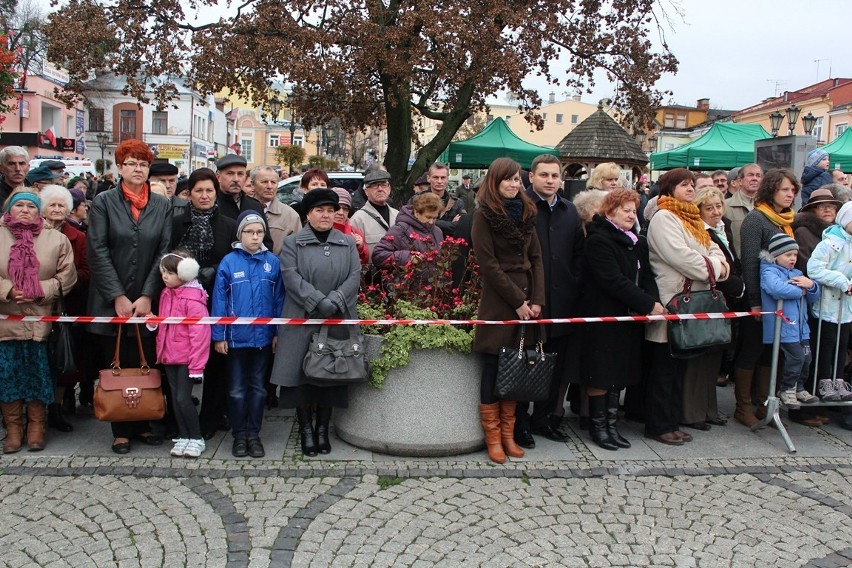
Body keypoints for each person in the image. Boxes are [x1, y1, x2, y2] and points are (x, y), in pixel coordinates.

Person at [87, 139, 172, 454]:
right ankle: (121, 427)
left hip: (148, 298)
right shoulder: (104, 202)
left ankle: (145, 421)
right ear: (119, 167)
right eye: (132, 163)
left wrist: (149, 293)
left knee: (147, 359)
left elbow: (164, 251)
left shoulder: (162, 205)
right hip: (113, 299)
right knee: (118, 361)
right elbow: (97, 251)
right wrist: (117, 296)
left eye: (143, 163)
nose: (138, 169)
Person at [271, 189, 361, 457]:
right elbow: (290, 276)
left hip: (337, 315)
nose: (326, 215)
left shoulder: (346, 242)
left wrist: (334, 301)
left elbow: (354, 276)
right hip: (302, 316)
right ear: (308, 214)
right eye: (319, 210)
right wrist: (317, 301)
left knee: (331, 374)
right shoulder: (293, 242)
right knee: (301, 377)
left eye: (330, 211)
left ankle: (322, 428)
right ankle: (306, 430)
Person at [644, 168, 729, 446]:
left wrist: (715, 264)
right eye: (684, 185)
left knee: (680, 368)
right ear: (669, 189)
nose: (691, 189)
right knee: (664, 369)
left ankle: (671, 420)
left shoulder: (692, 218)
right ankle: (658, 424)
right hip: (673, 300)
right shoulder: (664, 217)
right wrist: (717, 268)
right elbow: (681, 258)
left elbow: (714, 247)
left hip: (694, 300)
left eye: (692, 184)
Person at [471, 157, 544, 464]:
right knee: (493, 368)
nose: (515, 184)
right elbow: (488, 265)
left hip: (528, 298)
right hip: (500, 301)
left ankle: (508, 435)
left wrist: (537, 299)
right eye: (508, 180)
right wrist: (517, 302)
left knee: (516, 367)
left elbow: (537, 258)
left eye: (518, 179)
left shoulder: (527, 213)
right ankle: (493, 439)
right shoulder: (484, 216)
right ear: (495, 182)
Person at [579, 189, 663, 450]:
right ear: (609, 211)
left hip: (627, 317)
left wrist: (652, 303)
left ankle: (612, 426)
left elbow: (646, 275)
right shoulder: (599, 240)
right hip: (602, 316)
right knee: (601, 373)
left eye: (633, 209)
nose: (631, 214)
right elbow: (612, 280)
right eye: (624, 209)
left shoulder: (635, 241)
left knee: (619, 372)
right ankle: (598, 427)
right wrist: (647, 303)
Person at [514, 154, 584, 448]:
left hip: (562, 302)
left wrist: (573, 284)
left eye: (555, 175)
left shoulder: (570, 210)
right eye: (544, 175)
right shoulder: (520, 208)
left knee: (554, 366)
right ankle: (520, 424)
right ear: (531, 177)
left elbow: (579, 253)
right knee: (525, 365)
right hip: (529, 302)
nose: (551, 180)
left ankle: (545, 420)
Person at [0, 189, 77, 453]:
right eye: (19, 205)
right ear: (9, 209)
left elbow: (67, 276)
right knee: (8, 377)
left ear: (39, 211)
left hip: (40, 322)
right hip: (5, 323)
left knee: (38, 377)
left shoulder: (56, 239)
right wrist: (8, 290)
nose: (25, 210)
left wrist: (41, 289)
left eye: (30, 206)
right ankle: (13, 429)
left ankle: (36, 427)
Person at [211, 212, 284, 458]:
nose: (254, 237)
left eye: (259, 232)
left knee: (258, 389)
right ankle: (239, 434)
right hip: (235, 339)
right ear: (240, 234)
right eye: (249, 232)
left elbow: (279, 301)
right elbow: (220, 301)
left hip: (262, 339)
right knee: (236, 389)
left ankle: (254, 434)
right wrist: (219, 335)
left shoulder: (272, 262)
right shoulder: (229, 262)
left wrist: (276, 333)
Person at [172, 167, 238, 439]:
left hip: (217, 299)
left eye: (209, 190)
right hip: (182, 300)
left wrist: (213, 271)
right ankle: (180, 416)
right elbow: (168, 258)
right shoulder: (177, 222)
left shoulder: (228, 224)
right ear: (189, 194)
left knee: (216, 360)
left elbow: (234, 263)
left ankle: (211, 416)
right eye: (198, 190)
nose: (204, 195)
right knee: (181, 357)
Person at [735, 168, 800, 427]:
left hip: (780, 300)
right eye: (784, 189)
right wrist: (754, 302)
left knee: (771, 352)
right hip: (759, 298)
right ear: (771, 189)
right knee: (751, 350)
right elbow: (750, 263)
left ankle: (763, 404)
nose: (789, 194)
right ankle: (743, 407)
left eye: (792, 190)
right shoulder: (756, 219)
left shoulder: (785, 220)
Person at [681, 186, 744, 430]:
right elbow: (714, 267)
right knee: (698, 358)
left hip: (722, 300)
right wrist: (737, 286)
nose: (716, 211)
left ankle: (708, 409)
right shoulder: (700, 231)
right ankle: (692, 412)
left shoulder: (722, 229)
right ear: (699, 211)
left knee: (712, 358)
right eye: (709, 208)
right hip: (706, 296)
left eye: (718, 206)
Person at [39, 184, 90, 429]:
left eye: (62, 205)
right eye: (52, 205)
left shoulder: (78, 236)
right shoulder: (32, 233)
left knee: (64, 359)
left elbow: (86, 270)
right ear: (43, 208)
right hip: (34, 307)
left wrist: (63, 281)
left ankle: (57, 408)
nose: (57, 209)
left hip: (67, 305)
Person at [151, 251, 210, 458]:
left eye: (169, 272)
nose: (165, 276)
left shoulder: (193, 298)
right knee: (175, 399)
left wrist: (196, 366)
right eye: (163, 272)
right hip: (169, 355)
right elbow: (164, 323)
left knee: (183, 398)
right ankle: (184, 435)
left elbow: (200, 334)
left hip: (186, 358)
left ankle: (196, 437)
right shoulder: (166, 293)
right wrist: (152, 323)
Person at [760, 235, 819, 408]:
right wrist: (800, 290)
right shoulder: (768, 271)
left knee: (806, 358)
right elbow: (776, 288)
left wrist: (811, 285)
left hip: (801, 328)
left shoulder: (798, 274)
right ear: (775, 255)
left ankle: (798, 387)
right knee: (796, 357)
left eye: (795, 255)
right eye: (788, 255)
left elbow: (813, 297)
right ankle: (786, 389)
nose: (793, 259)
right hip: (784, 327)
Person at [807, 202, 852, 406]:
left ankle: (838, 379)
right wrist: (842, 281)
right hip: (827, 304)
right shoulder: (829, 243)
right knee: (826, 343)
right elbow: (814, 269)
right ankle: (824, 380)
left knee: (842, 343)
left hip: (847, 306)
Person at [372, 192, 443, 268]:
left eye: (435, 218)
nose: (431, 222)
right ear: (416, 212)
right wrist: (408, 258)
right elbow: (378, 255)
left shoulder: (437, 231)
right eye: (428, 217)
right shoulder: (399, 230)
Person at [349, 169, 399, 258]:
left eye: (383, 185)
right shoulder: (358, 219)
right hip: (372, 270)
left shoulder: (398, 215)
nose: (380, 189)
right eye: (374, 186)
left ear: (389, 188)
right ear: (366, 191)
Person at [252, 165, 301, 256]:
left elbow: (296, 252)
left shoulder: (291, 216)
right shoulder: (241, 209)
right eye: (264, 182)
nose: (269, 186)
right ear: (252, 184)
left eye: (273, 182)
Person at [725, 164, 762, 258]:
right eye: (750, 175)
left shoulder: (767, 207)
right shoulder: (725, 206)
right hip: (737, 265)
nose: (755, 178)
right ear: (740, 181)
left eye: (758, 175)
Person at [419, 162, 465, 237]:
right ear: (428, 178)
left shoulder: (457, 203)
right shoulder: (417, 200)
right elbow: (414, 222)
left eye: (443, 177)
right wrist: (450, 224)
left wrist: (428, 221)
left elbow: (461, 226)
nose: (439, 181)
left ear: (447, 179)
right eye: (435, 177)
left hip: (449, 246)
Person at [330, 187, 369, 265]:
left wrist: (361, 248)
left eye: (345, 209)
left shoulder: (354, 232)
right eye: (337, 208)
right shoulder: (319, 231)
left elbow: (364, 261)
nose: (341, 212)